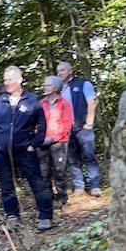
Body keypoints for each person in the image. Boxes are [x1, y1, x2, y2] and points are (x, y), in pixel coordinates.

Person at [0, 66, 56, 232]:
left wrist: (34, 144)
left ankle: (45, 216)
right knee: (6, 186)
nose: (7, 83)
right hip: (2, 152)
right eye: (5, 80)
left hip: (25, 151)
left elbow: (41, 124)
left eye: (10, 79)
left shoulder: (32, 100)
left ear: (19, 80)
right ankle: (12, 217)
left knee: (37, 183)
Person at [56, 62, 102, 196]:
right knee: (72, 159)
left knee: (89, 157)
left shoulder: (83, 84)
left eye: (63, 70)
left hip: (83, 127)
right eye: (58, 71)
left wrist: (89, 123)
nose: (60, 73)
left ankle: (95, 185)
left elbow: (92, 103)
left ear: (70, 71)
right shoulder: (58, 90)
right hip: (66, 130)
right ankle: (79, 186)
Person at [38, 77, 78, 211]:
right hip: (42, 143)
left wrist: (54, 138)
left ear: (56, 87)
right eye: (44, 85)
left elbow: (67, 124)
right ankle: (48, 198)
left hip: (59, 142)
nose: (45, 87)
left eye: (48, 85)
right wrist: (38, 137)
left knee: (59, 171)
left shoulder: (64, 104)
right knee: (44, 172)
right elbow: (35, 122)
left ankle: (62, 197)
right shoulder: (41, 104)